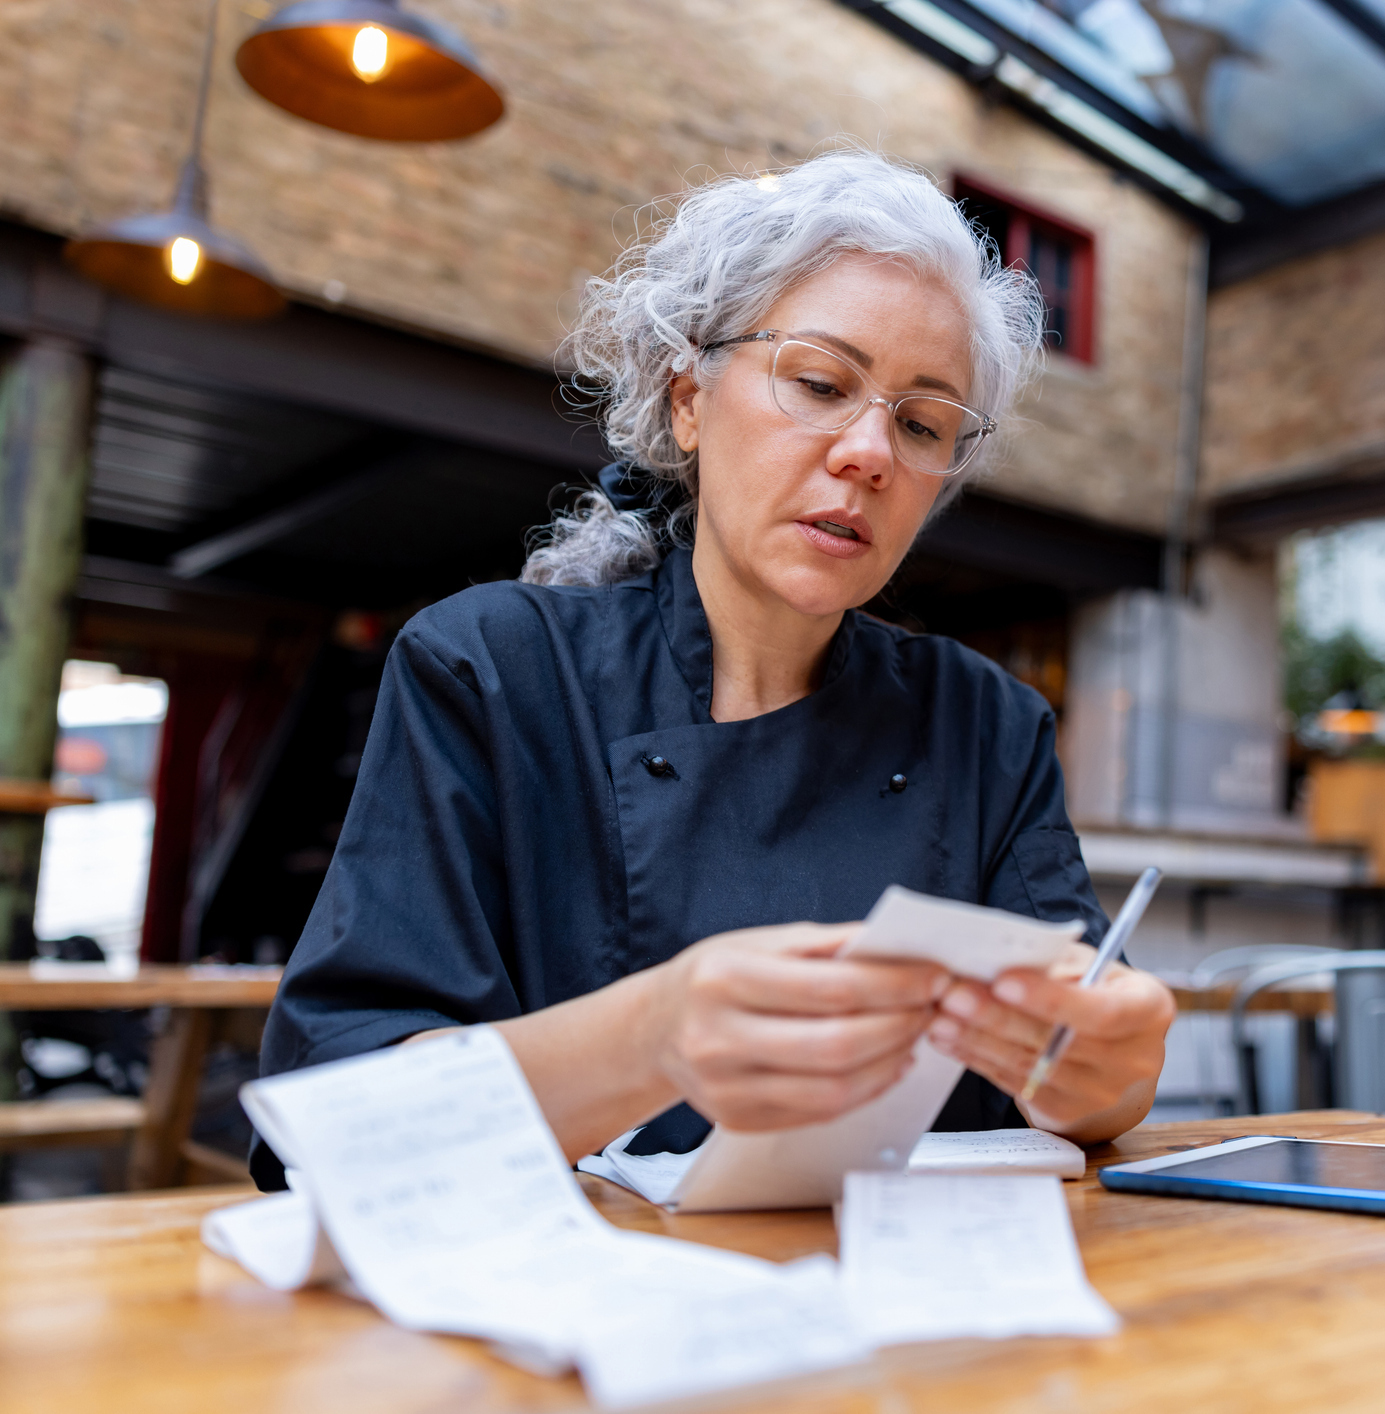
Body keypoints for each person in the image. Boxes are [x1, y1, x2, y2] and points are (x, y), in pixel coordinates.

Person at [252, 150, 1173, 1186]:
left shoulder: (986, 725)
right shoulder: (490, 669)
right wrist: (651, 1036)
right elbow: (335, 1116)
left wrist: (1111, 1071)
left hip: (916, 1310)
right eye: (821, 383)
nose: (869, 450)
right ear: (688, 398)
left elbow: (1084, 1076)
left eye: (921, 423)